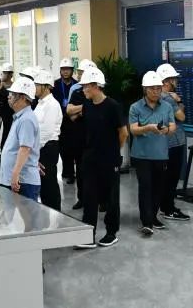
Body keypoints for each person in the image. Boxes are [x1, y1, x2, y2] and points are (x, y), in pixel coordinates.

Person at [75, 68, 128, 249]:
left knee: (111, 198)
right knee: (89, 197)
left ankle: (111, 232)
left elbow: (123, 133)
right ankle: (88, 234)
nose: (83, 90)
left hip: (109, 160)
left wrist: (113, 151)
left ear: (96, 86)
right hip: (90, 159)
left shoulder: (113, 106)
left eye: (86, 86)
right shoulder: (87, 106)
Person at [129, 71, 176, 236]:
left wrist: (166, 130)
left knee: (158, 188)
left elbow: (173, 126)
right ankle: (146, 222)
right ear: (145, 89)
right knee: (145, 187)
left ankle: (153, 217)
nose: (156, 92)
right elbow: (133, 129)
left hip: (160, 155)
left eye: (158, 88)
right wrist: (148, 128)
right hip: (141, 155)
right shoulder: (135, 107)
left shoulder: (167, 106)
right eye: (152, 89)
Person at [157, 63, 190, 221]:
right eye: (173, 79)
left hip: (164, 143)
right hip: (174, 142)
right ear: (166, 81)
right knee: (171, 177)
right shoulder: (168, 99)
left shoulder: (156, 97)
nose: (176, 81)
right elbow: (181, 116)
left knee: (166, 177)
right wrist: (179, 101)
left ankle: (164, 206)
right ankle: (168, 209)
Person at [0, 77, 41, 200]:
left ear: (23, 97)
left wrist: (15, 175)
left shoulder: (26, 119)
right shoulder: (20, 117)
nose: (9, 97)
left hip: (23, 181)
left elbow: (25, 149)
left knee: (26, 213)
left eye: (12, 94)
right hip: (19, 179)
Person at [66, 59, 98, 210]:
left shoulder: (100, 92)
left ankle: (101, 200)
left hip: (96, 137)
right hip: (79, 137)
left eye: (82, 73)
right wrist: (85, 107)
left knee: (97, 170)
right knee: (80, 169)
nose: (79, 76)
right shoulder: (77, 91)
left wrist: (80, 111)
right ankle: (82, 198)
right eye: (79, 73)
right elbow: (70, 112)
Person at [34, 70, 63, 211]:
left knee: (49, 182)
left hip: (47, 147)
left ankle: (55, 212)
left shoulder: (52, 104)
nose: (34, 88)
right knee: (44, 184)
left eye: (37, 85)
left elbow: (46, 131)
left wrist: (34, 150)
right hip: (40, 147)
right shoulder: (40, 103)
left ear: (46, 87)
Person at [53, 57, 77, 184]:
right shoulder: (55, 85)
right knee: (63, 148)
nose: (65, 71)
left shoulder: (77, 85)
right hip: (59, 121)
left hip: (73, 121)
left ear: (72, 70)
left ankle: (71, 173)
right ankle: (66, 171)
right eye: (63, 69)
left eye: (68, 69)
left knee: (72, 147)